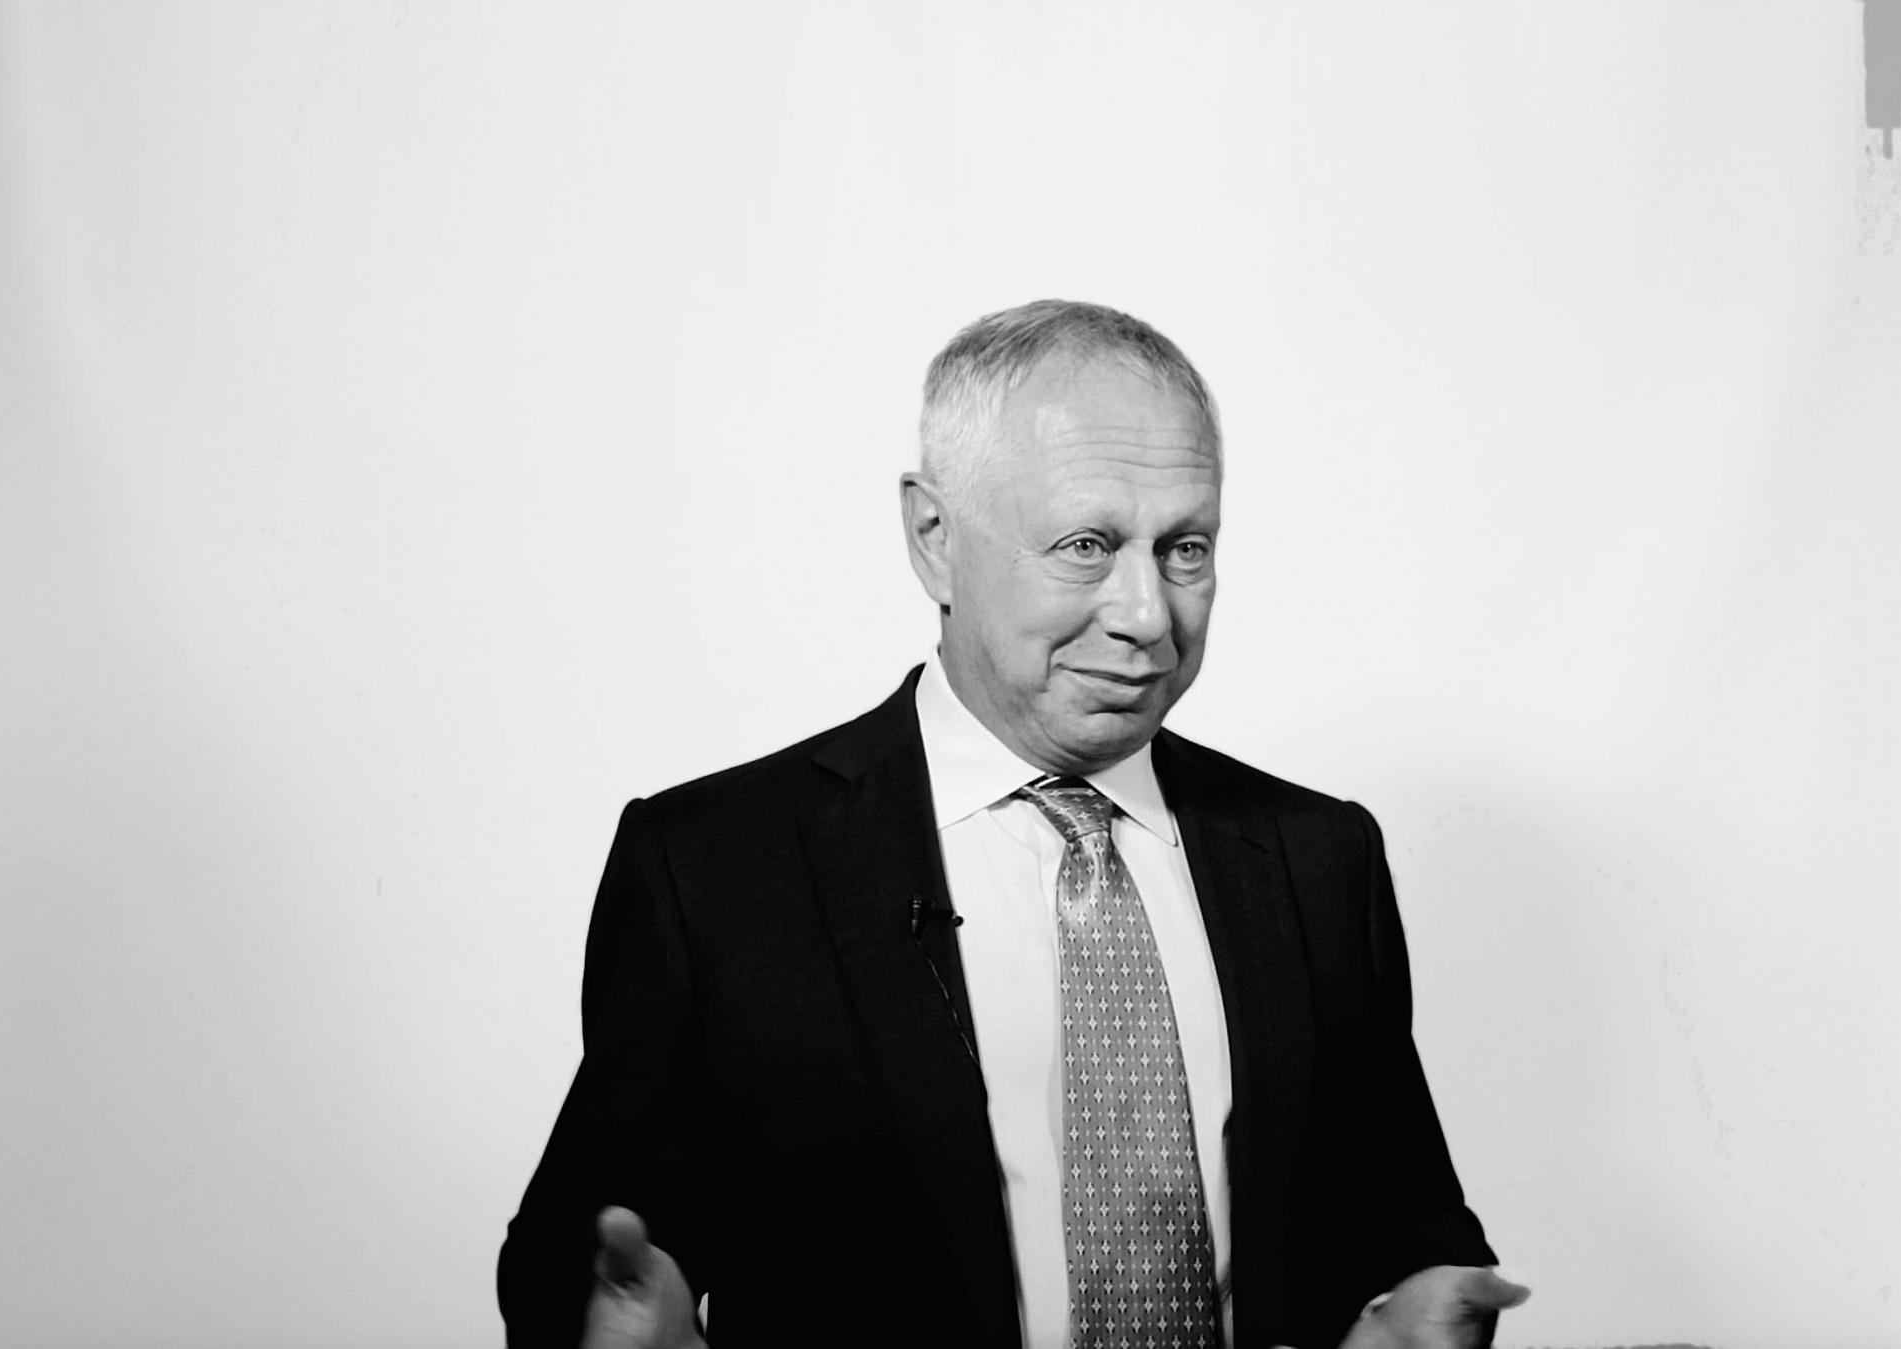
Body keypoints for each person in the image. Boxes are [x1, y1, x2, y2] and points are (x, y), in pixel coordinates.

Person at [498, 300, 1526, 1349]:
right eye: (1086, 545)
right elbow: (580, 1255)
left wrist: (1422, 1314)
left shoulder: (1318, 859)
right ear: (934, 539)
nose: (1147, 614)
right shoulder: (713, 866)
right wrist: (601, 1324)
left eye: (1184, 548)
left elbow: (1409, 1233)